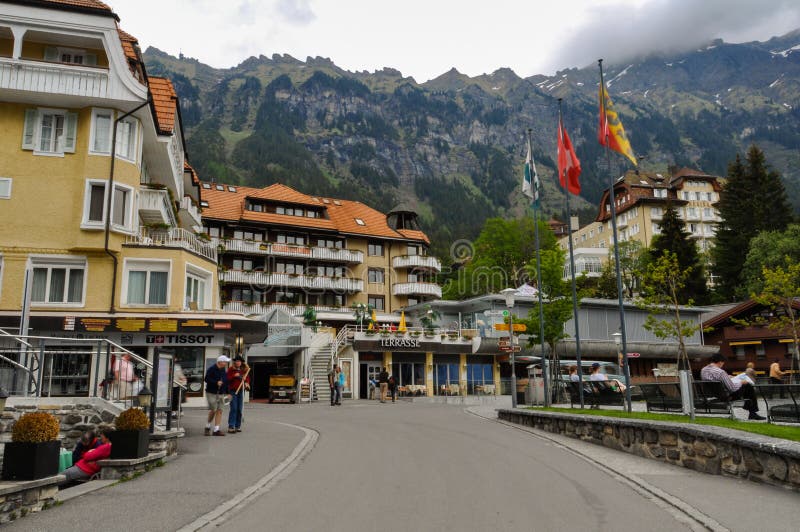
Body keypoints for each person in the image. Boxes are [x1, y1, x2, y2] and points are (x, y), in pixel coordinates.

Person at [701, 353, 764, 420]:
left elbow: (714, 379)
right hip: (725, 397)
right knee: (748, 386)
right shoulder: (720, 372)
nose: (722, 365)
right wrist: (741, 382)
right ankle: (752, 413)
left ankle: (751, 411)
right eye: (723, 363)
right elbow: (732, 388)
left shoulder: (703, 370)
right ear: (720, 362)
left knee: (746, 388)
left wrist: (728, 377)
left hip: (710, 395)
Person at [204, 355, 230, 436]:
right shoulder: (212, 369)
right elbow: (206, 379)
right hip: (211, 392)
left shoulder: (223, 370)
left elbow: (225, 381)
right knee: (213, 409)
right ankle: (208, 426)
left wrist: (228, 392)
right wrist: (216, 382)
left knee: (220, 410)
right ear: (220, 362)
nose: (226, 363)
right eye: (225, 362)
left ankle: (216, 429)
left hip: (221, 393)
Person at [227, 356, 250, 433]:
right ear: (234, 362)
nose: (238, 362)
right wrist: (234, 376)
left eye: (239, 361)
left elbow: (247, 379)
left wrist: (246, 383)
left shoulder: (244, 370)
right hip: (233, 391)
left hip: (241, 391)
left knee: (240, 409)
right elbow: (227, 379)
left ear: (241, 362)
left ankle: (237, 426)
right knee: (234, 408)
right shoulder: (231, 369)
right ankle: (231, 426)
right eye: (236, 361)